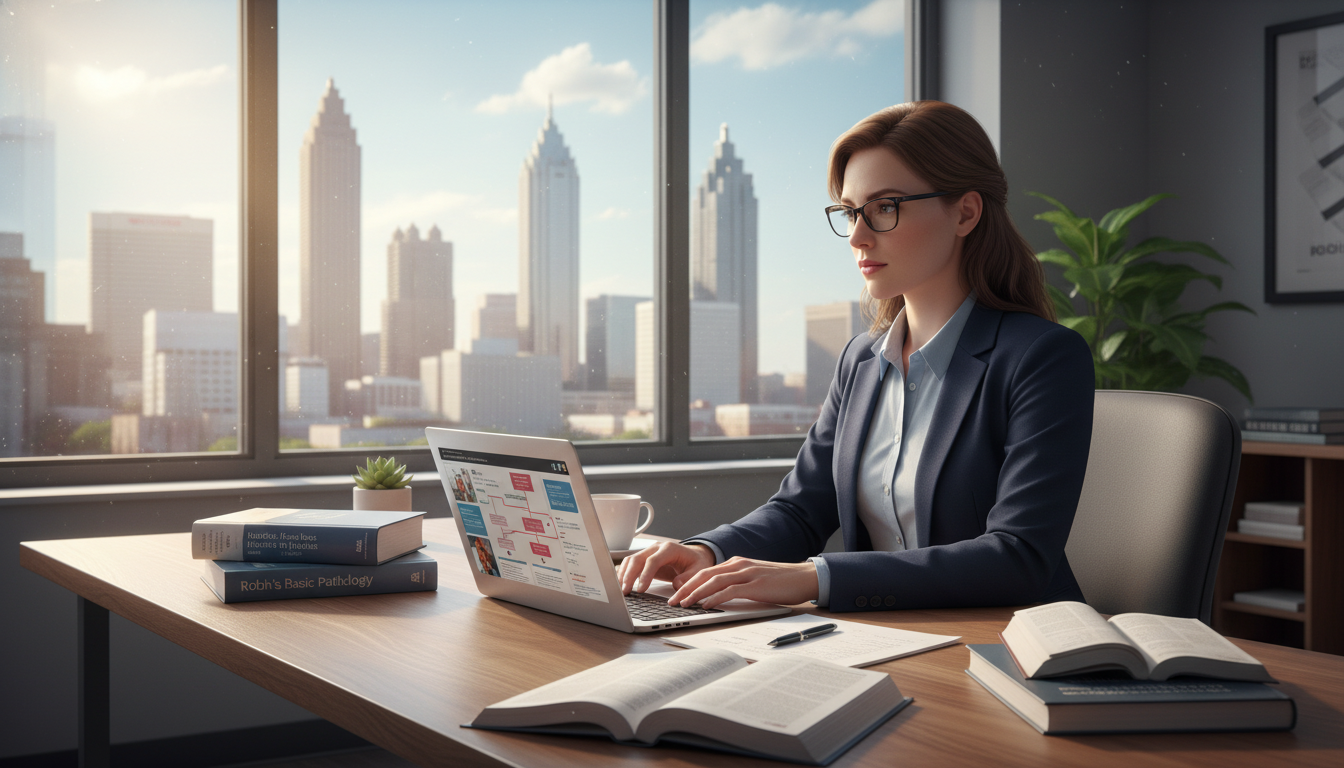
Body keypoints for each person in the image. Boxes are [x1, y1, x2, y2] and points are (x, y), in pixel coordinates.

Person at [618, 101, 1095, 612]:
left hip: (1010, 649)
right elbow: (801, 510)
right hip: (887, 639)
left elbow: (1016, 557)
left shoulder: (1042, 359)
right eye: (850, 212)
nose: (858, 235)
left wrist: (813, 579)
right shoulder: (862, 360)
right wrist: (706, 551)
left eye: (885, 207)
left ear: (966, 212)